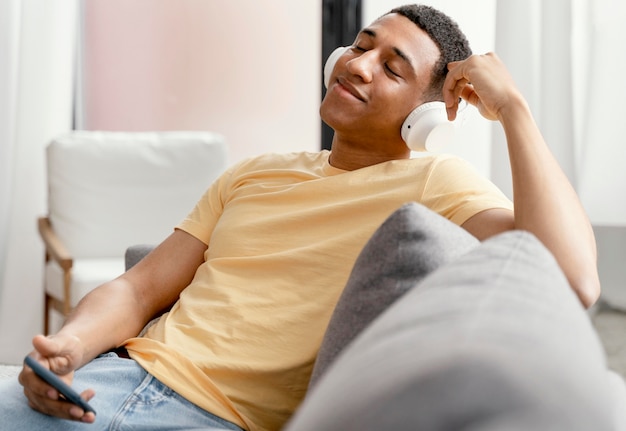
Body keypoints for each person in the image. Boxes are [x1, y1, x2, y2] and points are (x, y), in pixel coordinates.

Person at [0, 4, 600, 431]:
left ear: (426, 117)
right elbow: (140, 287)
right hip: (105, 380)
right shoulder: (255, 171)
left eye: (393, 69)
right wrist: (69, 348)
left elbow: (571, 278)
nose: (360, 65)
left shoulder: (435, 181)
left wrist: (515, 109)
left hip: (209, 420)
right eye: (362, 46)